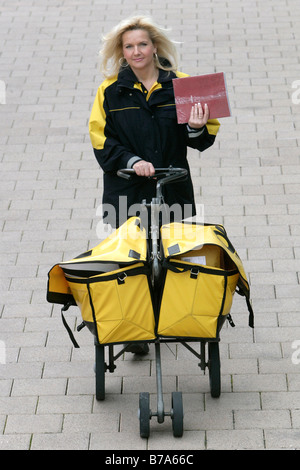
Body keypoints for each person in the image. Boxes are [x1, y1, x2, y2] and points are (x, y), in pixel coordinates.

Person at [88, 15, 220, 354]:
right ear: (121, 51)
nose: (136, 52)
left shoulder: (182, 86)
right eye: (129, 46)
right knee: (129, 259)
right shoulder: (110, 91)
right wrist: (133, 162)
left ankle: (170, 314)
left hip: (170, 185)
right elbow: (102, 140)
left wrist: (194, 126)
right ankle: (133, 328)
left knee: (170, 255)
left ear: (154, 47)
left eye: (142, 44)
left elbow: (202, 140)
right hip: (126, 188)